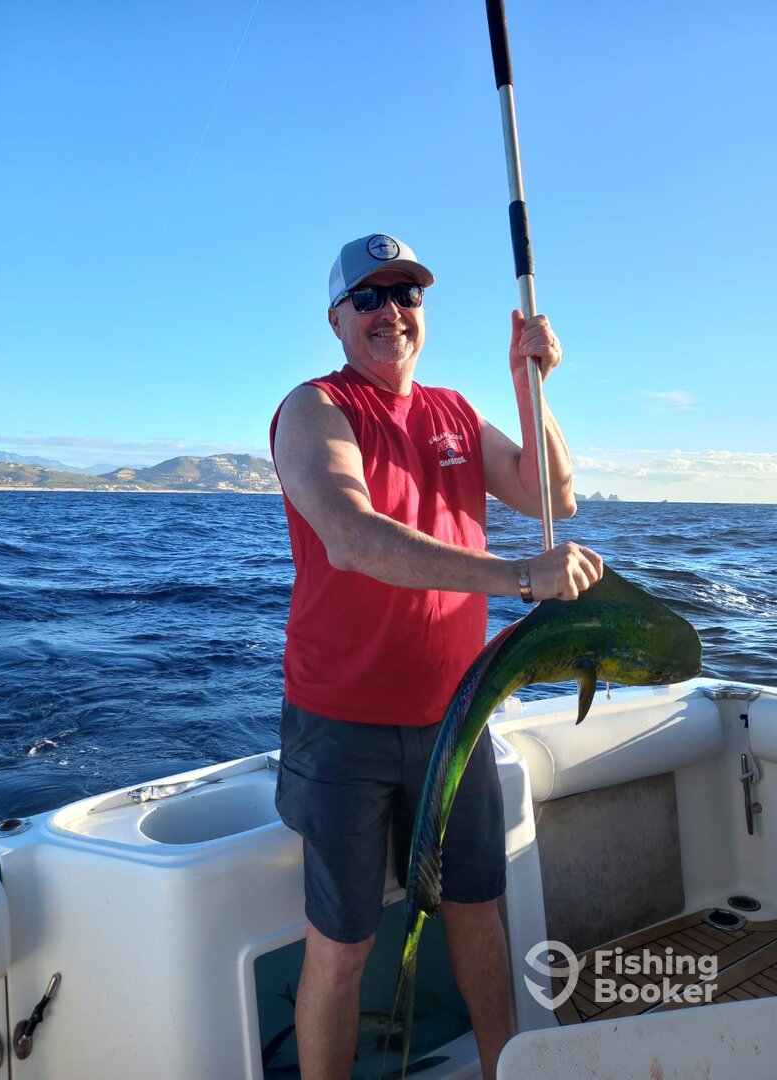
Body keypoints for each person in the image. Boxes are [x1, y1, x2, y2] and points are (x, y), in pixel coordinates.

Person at [269, 232, 603, 1080]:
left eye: (406, 294)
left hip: (457, 716)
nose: (391, 312)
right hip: (341, 728)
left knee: (477, 910)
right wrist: (518, 576)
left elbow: (552, 495)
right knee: (342, 946)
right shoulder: (315, 409)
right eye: (369, 297)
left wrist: (531, 386)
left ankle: (503, 1071)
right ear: (337, 319)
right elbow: (351, 537)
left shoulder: (453, 411)